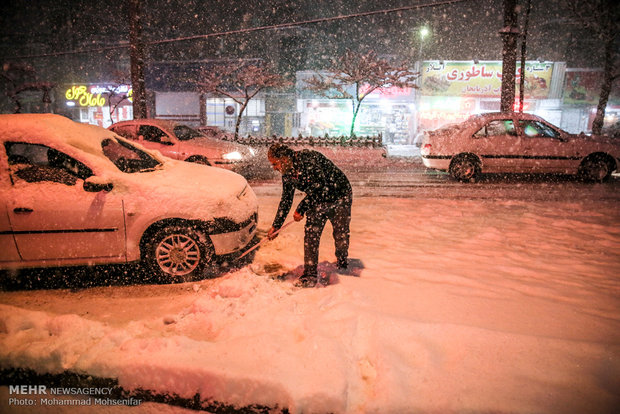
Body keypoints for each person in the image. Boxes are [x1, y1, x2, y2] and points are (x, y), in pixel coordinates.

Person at [267, 143, 352, 287]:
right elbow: (286, 199)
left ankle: (342, 262)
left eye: (275, 163)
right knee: (311, 234)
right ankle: (310, 275)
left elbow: (320, 185)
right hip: (317, 199)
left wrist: (301, 208)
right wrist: (276, 226)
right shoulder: (287, 174)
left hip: (339, 196)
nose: (274, 168)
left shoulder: (310, 159)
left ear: (285, 159)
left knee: (340, 233)